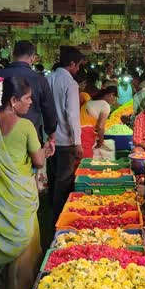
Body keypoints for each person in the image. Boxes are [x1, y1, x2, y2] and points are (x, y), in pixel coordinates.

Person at [0, 76, 52, 289]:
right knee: (25, 246)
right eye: (27, 98)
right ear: (13, 100)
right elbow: (38, 160)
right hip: (19, 194)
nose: (31, 102)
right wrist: (47, 150)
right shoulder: (25, 126)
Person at [0, 40, 57, 147]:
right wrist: (51, 133)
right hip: (30, 138)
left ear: (13, 54)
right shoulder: (39, 79)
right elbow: (49, 109)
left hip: (0, 137)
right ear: (32, 57)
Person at [46, 46, 86, 225]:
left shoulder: (48, 79)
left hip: (50, 139)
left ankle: (51, 215)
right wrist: (77, 142)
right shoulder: (70, 84)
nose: (78, 70)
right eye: (78, 66)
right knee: (63, 181)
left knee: (53, 178)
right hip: (66, 141)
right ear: (71, 64)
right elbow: (72, 114)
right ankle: (60, 219)